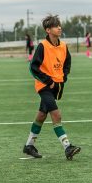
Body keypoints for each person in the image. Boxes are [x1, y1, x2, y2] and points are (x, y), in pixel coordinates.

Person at [23, 14, 80, 161]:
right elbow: (33, 68)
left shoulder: (63, 46)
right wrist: (48, 81)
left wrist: (64, 77)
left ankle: (29, 145)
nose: (59, 27)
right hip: (44, 86)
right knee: (56, 115)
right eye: (56, 26)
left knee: (42, 115)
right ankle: (68, 147)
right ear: (48, 30)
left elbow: (67, 63)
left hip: (57, 85)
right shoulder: (43, 46)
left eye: (59, 25)